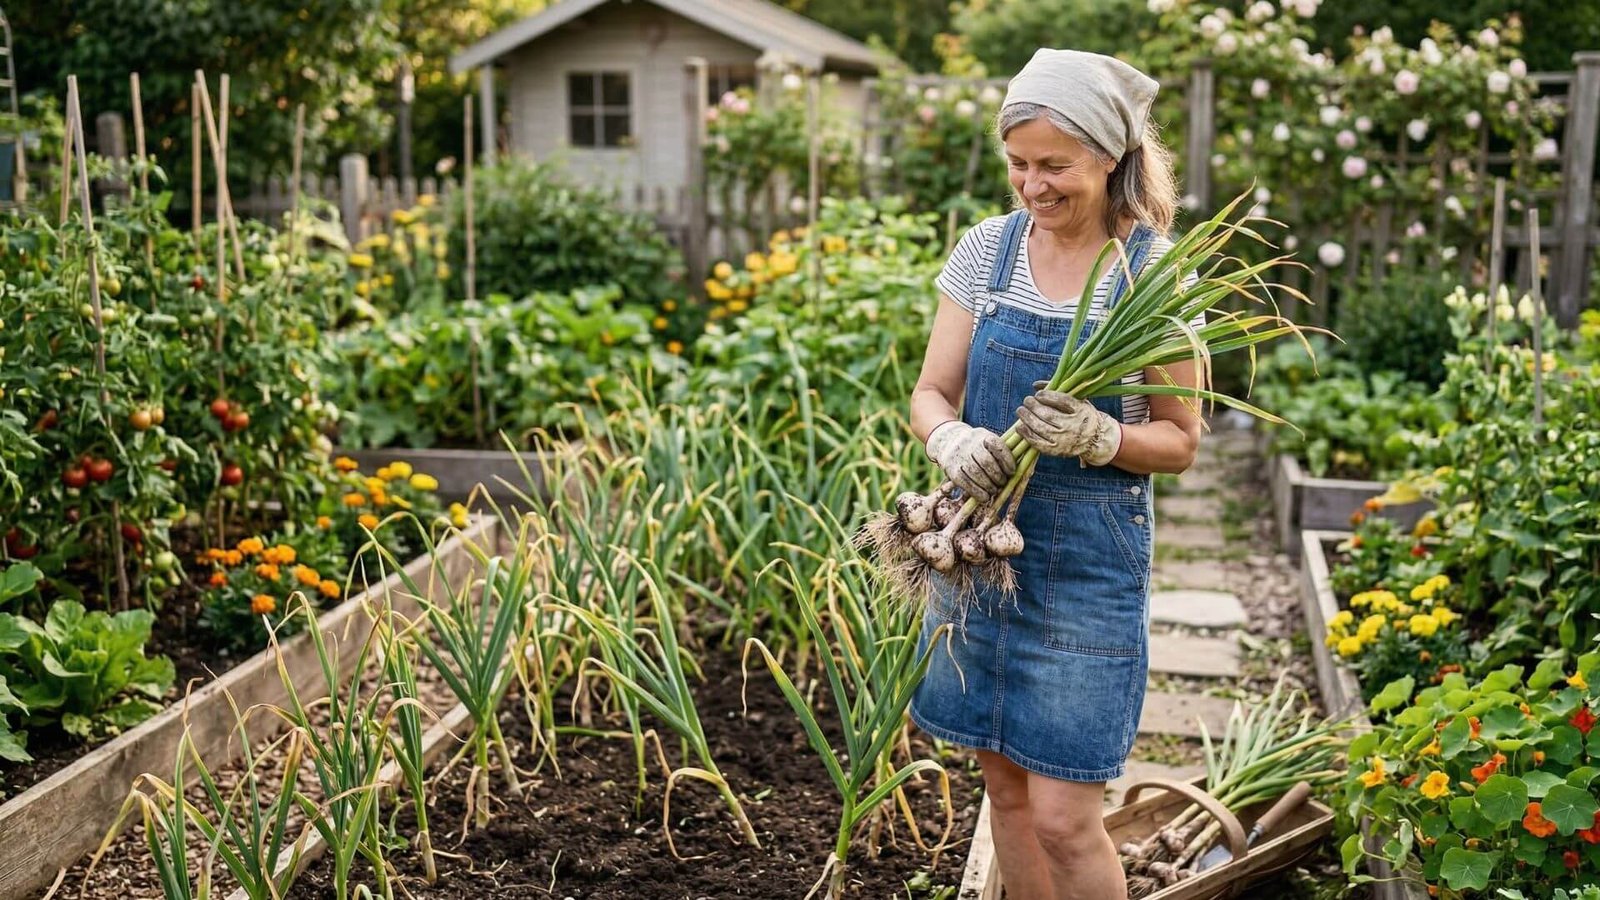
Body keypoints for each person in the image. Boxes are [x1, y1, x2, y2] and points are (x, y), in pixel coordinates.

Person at [907, 49, 1204, 900]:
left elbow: (1181, 441)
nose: (1032, 185)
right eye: (1018, 163)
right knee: (1004, 795)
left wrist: (1100, 435)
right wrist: (951, 440)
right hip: (980, 553)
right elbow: (930, 393)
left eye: (1054, 166)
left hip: (1086, 569)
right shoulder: (987, 252)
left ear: (1108, 158)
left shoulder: (1152, 274)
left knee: (1066, 822)